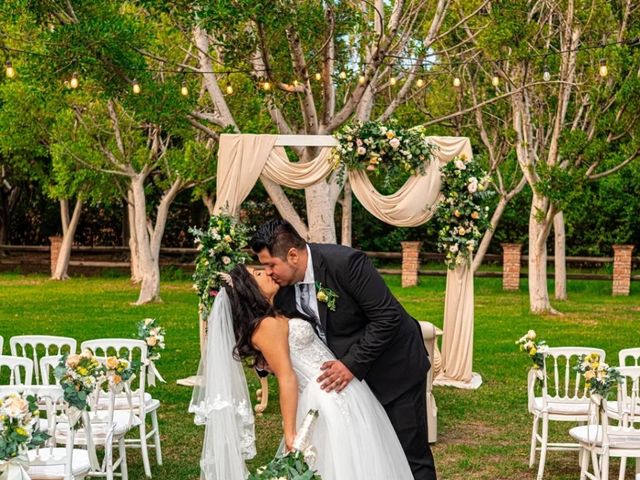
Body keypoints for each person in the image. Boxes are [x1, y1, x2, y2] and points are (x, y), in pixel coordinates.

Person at [250, 219, 436, 480]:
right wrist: (265, 361)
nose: (268, 272)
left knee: (409, 455)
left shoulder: (346, 263)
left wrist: (351, 364)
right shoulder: (282, 290)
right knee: (374, 457)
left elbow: (388, 317)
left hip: (394, 369)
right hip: (350, 393)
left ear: (292, 255)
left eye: (271, 264)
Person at [227, 263, 414, 479]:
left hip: (341, 386)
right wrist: (289, 433)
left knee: (361, 455)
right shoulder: (266, 325)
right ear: (249, 290)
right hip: (323, 395)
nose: (268, 272)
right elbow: (286, 377)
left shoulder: (276, 313)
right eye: (258, 274)